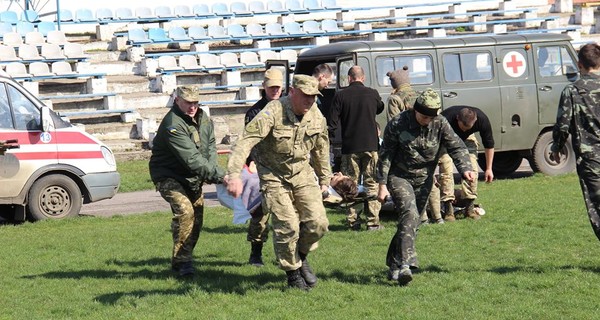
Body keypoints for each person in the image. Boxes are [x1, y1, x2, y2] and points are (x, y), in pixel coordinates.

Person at [226, 75, 331, 290]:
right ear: (292, 92)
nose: (309, 101)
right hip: (273, 175)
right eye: (305, 96)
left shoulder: (316, 116)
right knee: (288, 225)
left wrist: (324, 179)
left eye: (313, 97)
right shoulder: (273, 111)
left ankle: (300, 256)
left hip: (302, 172)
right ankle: (292, 274)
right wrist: (234, 174)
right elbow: (246, 141)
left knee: (318, 223)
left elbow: (321, 148)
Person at [377, 88, 476, 286]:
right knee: (410, 214)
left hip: (424, 180)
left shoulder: (440, 123)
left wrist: (465, 168)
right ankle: (406, 264)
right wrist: (382, 184)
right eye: (424, 116)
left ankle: (393, 264)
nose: (428, 120)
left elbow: (456, 146)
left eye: (432, 117)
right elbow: (386, 155)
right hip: (399, 177)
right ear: (416, 110)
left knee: (412, 223)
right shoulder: (398, 124)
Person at [149, 85, 225, 277]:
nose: (192, 107)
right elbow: (191, 158)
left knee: (197, 219)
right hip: (169, 175)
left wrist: (212, 170)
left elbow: (210, 148)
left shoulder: (203, 118)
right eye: (188, 103)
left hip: (193, 176)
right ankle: (183, 263)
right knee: (185, 211)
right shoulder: (172, 124)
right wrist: (220, 176)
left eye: (195, 103)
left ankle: (183, 257)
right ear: (177, 101)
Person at [551, 42, 600, 242]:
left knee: (597, 208)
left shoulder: (572, 91)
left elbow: (562, 126)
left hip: (591, 160)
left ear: (579, 64)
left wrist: (557, 147)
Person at [329, 65, 385, 231]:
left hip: (350, 146)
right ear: (363, 78)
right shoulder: (372, 93)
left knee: (350, 184)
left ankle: (353, 221)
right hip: (371, 145)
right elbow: (380, 107)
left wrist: (330, 143)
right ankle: (373, 222)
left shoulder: (341, 96)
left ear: (349, 78)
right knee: (372, 183)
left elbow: (332, 122)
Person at [243, 68, 284, 267]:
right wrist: (251, 161)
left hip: (286, 168)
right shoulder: (255, 112)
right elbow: (249, 141)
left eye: (278, 86)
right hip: (262, 168)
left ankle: (286, 255)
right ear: (264, 87)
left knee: (287, 215)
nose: (275, 90)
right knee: (260, 214)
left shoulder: (289, 107)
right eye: (271, 87)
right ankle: (256, 253)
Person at [437, 106, 495, 221]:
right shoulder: (445, 118)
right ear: (457, 119)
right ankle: (449, 210)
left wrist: (489, 168)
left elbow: (489, 144)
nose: (464, 130)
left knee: (472, 170)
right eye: (463, 127)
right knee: (446, 169)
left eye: (468, 127)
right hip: (447, 139)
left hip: (468, 140)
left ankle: (469, 208)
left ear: (475, 121)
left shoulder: (482, 119)